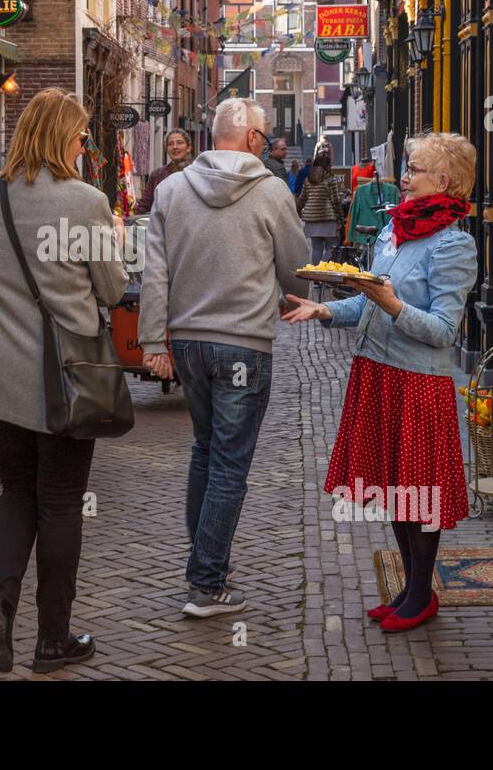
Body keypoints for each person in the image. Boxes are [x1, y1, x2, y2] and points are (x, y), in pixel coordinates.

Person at [283, 132, 478, 633]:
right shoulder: (394, 231)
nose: (404, 176)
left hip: (418, 382)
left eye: (414, 169)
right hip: (376, 371)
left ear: (446, 181)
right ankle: (410, 589)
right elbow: (371, 297)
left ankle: (420, 593)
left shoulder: (454, 244)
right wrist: (326, 307)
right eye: (407, 167)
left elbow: (443, 331)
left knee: (421, 492)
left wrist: (394, 306)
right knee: (395, 488)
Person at [0, 88, 129, 673]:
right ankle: (52, 639)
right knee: (61, 505)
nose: (85, 146)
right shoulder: (86, 202)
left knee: (16, 497)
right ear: (63, 137)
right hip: (65, 381)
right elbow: (112, 290)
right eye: (82, 136)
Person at [138, 97, 313, 617]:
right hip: (243, 346)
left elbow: (155, 274)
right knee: (230, 466)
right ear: (255, 140)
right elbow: (296, 270)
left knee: (205, 451)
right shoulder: (272, 191)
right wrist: (280, 289)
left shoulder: (170, 190)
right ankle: (207, 582)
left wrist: (152, 342)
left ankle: (205, 559)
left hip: (189, 344)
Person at [297, 150, 345, 264]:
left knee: (316, 249)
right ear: (327, 165)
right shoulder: (330, 179)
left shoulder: (308, 179)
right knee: (331, 247)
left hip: (311, 220)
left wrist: (297, 212)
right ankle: (323, 274)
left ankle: (316, 278)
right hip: (328, 219)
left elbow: (302, 199)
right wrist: (341, 219)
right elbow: (336, 201)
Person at [133, 129, 193, 214]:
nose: (175, 147)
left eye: (179, 143)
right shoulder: (157, 175)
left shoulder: (196, 173)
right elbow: (144, 205)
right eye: (170, 144)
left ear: (189, 148)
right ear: (166, 149)